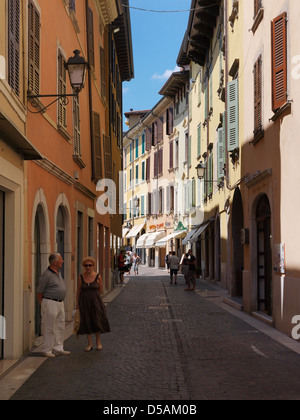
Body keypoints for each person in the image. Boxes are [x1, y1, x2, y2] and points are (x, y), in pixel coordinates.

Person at [37, 253, 70, 358]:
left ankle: (58, 348)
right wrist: (42, 304)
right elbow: (39, 291)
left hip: (60, 303)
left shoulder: (58, 272)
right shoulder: (46, 274)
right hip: (50, 302)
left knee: (60, 325)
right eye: (61, 259)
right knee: (49, 327)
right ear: (55, 262)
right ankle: (47, 349)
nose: (62, 261)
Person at [76, 257, 111, 352]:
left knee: (97, 320)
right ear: (84, 266)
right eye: (86, 265)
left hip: (96, 302)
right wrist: (77, 303)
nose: (88, 267)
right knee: (86, 321)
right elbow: (78, 291)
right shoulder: (81, 277)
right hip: (84, 302)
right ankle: (89, 344)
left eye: (90, 265)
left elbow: (100, 290)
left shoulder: (98, 276)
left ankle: (98, 342)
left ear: (93, 266)